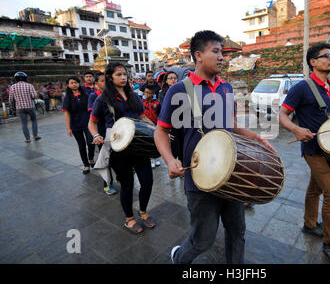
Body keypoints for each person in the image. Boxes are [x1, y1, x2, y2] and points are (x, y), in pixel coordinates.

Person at [155, 30, 276, 264]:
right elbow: (161, 130)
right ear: (198, 55)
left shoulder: (226, 88)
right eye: (216, 52)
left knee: (237, 232)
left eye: (222, 53)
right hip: (199, 177)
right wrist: (170, 160)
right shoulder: (179, 90)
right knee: (203, 240)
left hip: (232, 170)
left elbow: (229, 123)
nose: (222, 57)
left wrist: (254, 137)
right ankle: (179, 257)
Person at [279, 42, 330, 264]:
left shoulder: (329, 86)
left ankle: (310, 224)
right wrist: (296, 129)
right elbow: (282, 114)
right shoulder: (302, 87)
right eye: (326, 56)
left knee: (315, 188)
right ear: (313, 62)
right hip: (313, 150)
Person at [89, 62, 156, 234]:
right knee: (127, 185)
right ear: (110, 78)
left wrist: (157, 130)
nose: (123, 77)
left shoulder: (134, 96)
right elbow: (92, 122)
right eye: (119, 74)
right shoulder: (103, 99)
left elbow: (142, 117)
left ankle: (143, 210)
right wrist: (96, 135)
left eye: (125, 74)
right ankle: (129, 219)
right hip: (118, 148)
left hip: (139, 145)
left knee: (147, 181)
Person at [88, 73, 118, 195]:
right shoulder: (94, 97)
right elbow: (92, 118)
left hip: (113, 130)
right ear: (96, 84)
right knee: (106, 158)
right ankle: (107, 184)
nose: (105, 83)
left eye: (106, 80)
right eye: (102, 81)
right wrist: (96, 134)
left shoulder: (114, 95)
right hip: (101, 130)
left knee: (116, 156)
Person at [63, 76, 95, 174]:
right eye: (72, 83)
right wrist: (68, 128)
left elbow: (91, 109)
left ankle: (91, 158)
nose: (74, 84)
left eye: (76, 82)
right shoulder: (67, 98)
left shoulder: (85, 95)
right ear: (68, 85)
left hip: (87, 123)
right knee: (81, 145)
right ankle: (86, 165)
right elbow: (67, 113)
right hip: (75, 124)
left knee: (91, 142)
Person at [8, 72, 41, 142]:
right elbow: (34, 96)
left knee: (24, 123)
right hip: (30, 106)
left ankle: (28, 139)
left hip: (19, 108)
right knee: (34, 120)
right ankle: (35, 135)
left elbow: (10, 99)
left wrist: (12, 109)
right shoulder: (29, 85)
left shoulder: (12, 87)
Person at [142, 85, 161, 168]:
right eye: (145, 92)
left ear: (152, 94)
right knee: (148, 141)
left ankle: (156, 158)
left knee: (156, 142)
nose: (146, 94)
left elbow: (160, 114)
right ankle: (151, 159)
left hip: (155, 125)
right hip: (145, 125)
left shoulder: (157, 102)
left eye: (149, 93)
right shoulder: (141, 102)